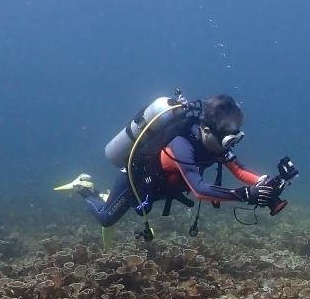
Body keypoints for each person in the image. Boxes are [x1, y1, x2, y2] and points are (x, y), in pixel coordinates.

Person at [59, 95, 274, 238]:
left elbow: (240, 170)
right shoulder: (181, 145)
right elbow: (199, 189)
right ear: (207, 131)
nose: (231, 145)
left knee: (134, 207)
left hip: (159, 188)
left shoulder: (216, 144)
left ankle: (108, 198)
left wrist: (265, 183)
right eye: (228, 140)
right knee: (106, 219)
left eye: (236, 138)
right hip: (135, 181)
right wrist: (245, 194)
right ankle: (84, 187)